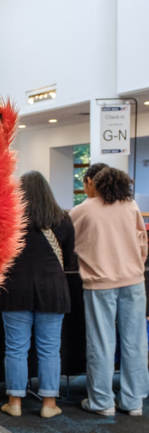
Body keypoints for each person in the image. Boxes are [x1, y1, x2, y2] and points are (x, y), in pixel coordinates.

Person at [70, 163, 149, 417]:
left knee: (102, 342)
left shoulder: (83, 210)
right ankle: (134, 401)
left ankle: (102, 402)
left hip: (100, 284)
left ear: (94, 183)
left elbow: (67, 241)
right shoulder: (131, 207)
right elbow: (142, 244)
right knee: (135, 342)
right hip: (134, 282)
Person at [0, 171, 74, 418]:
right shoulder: (63, 219)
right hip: (53, 291)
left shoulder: (9, 219)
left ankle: (15, 402)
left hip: (15, 290)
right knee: (50, 349)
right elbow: (70, 258)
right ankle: (49, 404)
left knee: (16, 349)